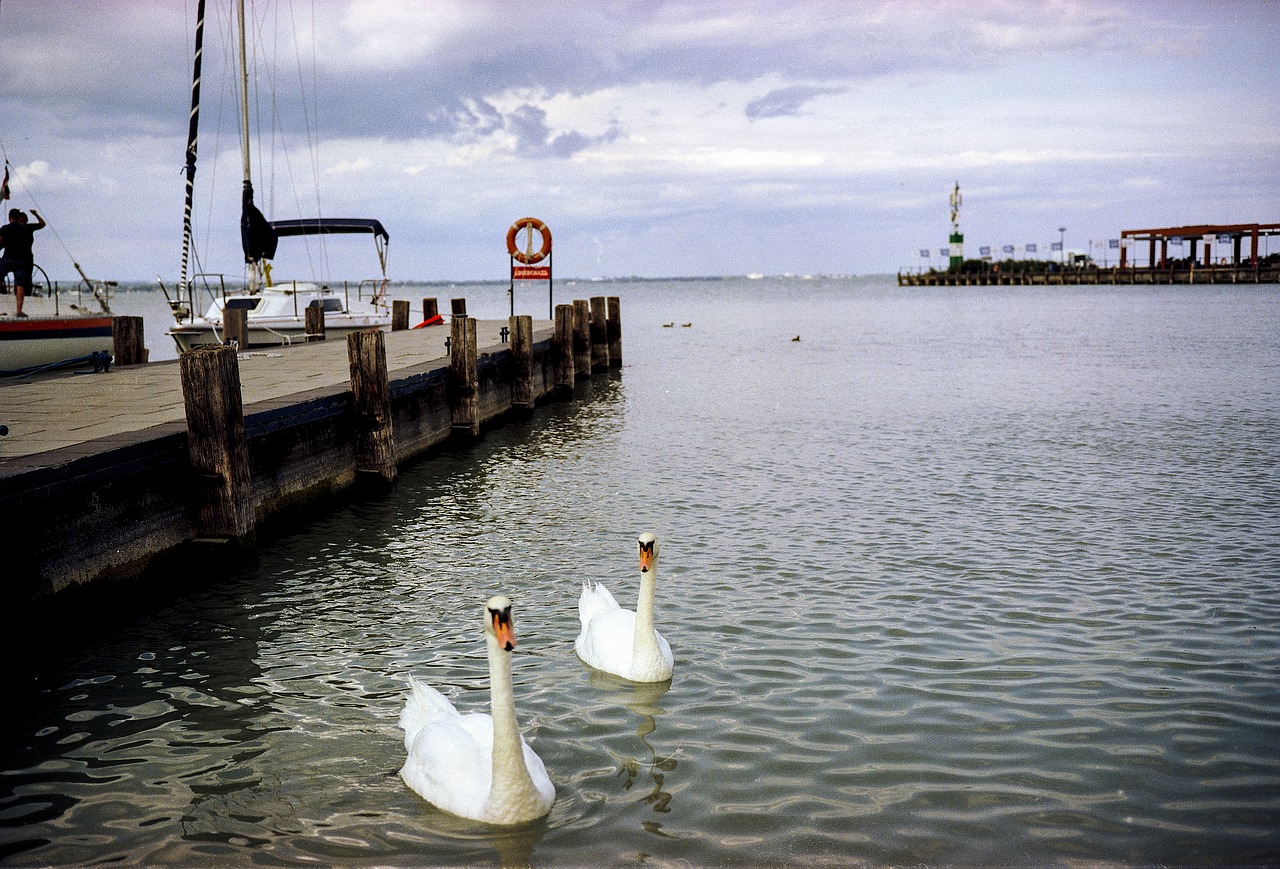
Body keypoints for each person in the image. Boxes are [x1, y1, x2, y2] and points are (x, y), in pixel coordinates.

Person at [0, 208, 46, 318]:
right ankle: (19, 310)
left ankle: (2, 293)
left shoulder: (5, 228)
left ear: (9, 217)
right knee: (20, 284)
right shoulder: (25, 229)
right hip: (21, 260)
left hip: (8, 258)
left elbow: (0, 241)